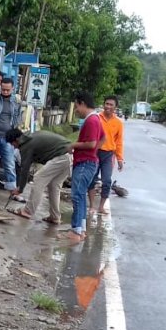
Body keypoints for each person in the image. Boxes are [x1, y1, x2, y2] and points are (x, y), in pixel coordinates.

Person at [6, 128, 72, 225]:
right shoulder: (31, 137)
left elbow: (25, 169)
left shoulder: (26, 145)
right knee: (54, 186)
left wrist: (20, 189)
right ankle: (55, 216)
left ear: (16, 140)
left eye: (13, 144)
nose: (14, 147)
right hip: (70, 156)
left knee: (38, 178)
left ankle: (28, 211)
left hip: (61, 156)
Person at [68, 92, 104, 243]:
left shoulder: (91, 121)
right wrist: (94, 153)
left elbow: (91, 143)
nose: (76, 110)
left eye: (77, 106)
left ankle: (76, 229)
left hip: (85, 163)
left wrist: (72, 145)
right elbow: (103, 138)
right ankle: (81, 228)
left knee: (77, 195)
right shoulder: (95, 119)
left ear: (82, 103)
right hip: (89, 161)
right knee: (81, 195)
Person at [96, 95, 125, 214]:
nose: (108, 106)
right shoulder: (97, 118)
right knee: (91, 179)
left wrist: (119, 158)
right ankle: (92, 205)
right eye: (106, 104)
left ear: (115, 107)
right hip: (95, 152)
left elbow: (119, 142)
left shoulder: (118, 123)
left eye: (111, 104)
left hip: (108, 155)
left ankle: (101, 206)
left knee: (107, 181)